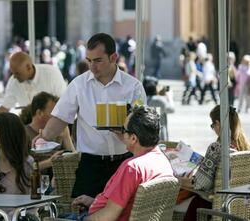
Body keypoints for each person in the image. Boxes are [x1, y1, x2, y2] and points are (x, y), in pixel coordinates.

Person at [36, 33, 147, 198]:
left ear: (113, 57)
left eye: (98, 61)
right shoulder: (78, 85)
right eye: (89, 61)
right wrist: (43, 137)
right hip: (90, 164)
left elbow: (142, 128)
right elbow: (60, 118)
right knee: (84, 212)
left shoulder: (133, 87)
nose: (92, 66)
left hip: (125, 162)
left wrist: (123, 132)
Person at [68, 106, 174, 221]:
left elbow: (108, 216)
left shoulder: (132, 168)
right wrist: (94, 202)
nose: (122, 134)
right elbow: (128, 204)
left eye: (124, 130)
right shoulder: (162, 160)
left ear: (133, 138)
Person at [176, 105, 250, 220]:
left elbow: (200, 184)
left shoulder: (216, 148)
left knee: (174, 204)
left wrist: (177, 179)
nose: (213, 129)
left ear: (218, 123)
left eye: (212, 125)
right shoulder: (244, 146)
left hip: (213, 206)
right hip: (238, 205)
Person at [0, 51, 67, 132]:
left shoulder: (51, 74)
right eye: (12, 73)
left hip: (56, 127)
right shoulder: (13, 82)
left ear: (29, 67)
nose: (14, 76)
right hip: (30, 129)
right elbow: (4, 108)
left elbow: (62, 103)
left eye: (17, 73)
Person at [20, 92, 75, 175]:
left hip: (59, 183)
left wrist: (66, 137)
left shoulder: (59, 131)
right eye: (54, 113)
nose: (58, 116)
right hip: (36, 183)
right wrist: (50, 162)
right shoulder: (23, 134)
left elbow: (75, 161)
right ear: (39, 113)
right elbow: (23, 169)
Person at [143, 76, 175, 141]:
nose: (160, 87)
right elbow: (171, 109)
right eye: (158, 85)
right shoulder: (158, 100)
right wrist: (169, 97)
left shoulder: (144, 98)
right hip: (159, 134)